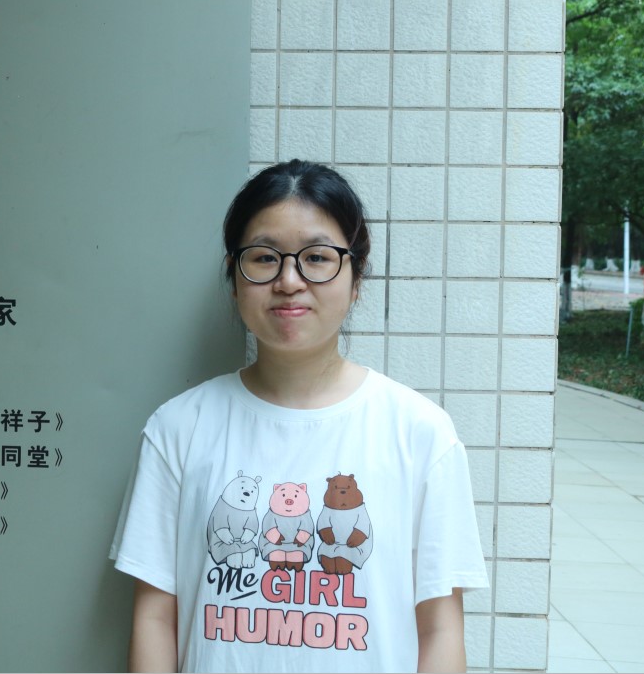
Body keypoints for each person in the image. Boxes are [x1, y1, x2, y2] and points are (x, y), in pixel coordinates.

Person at [110, 160, 488, 673]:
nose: (289, 281)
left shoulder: (420, 433)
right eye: (265, 258)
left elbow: (440, 629)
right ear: (234, 276)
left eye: (317, 258)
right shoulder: (177, 429)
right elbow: (156, 617)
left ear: (356, 278)